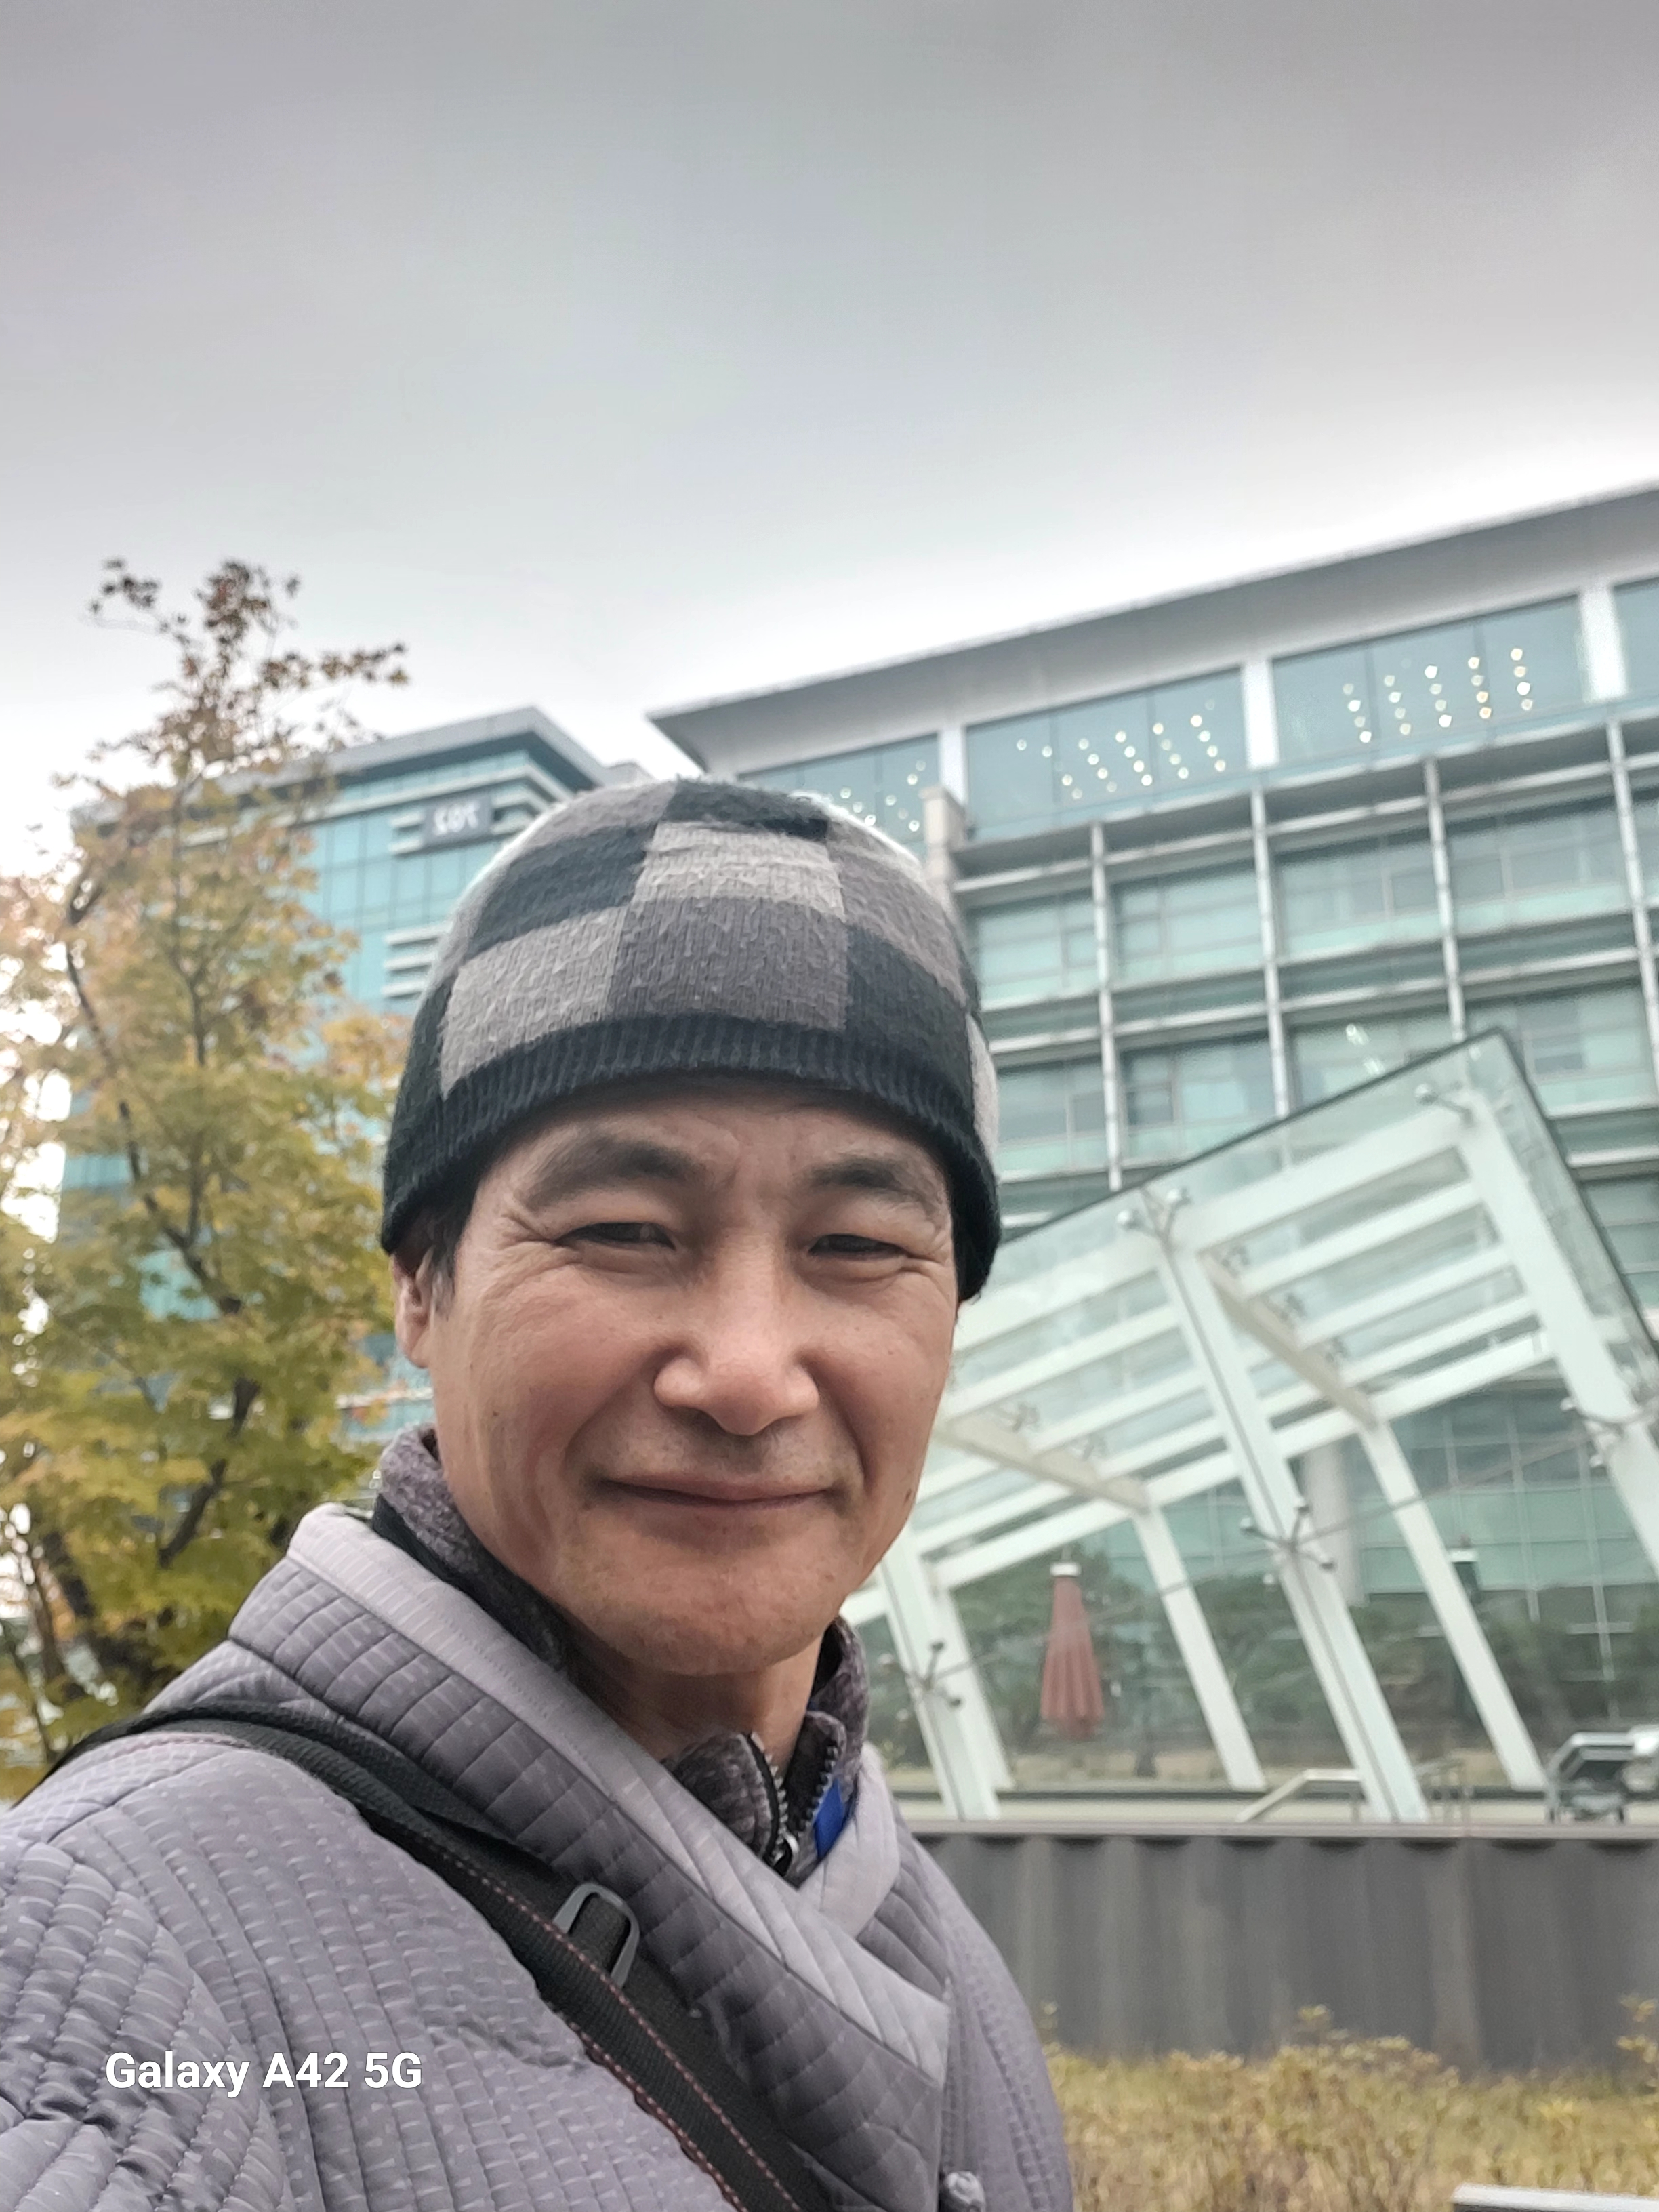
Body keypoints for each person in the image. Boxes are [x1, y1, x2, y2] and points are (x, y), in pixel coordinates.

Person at [0, 779, 1072, 2212]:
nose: (747, 1374)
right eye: (624, 1229)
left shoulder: (935, 1937)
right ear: (420, 1284)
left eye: (860, 1244)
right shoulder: (104, 1954)